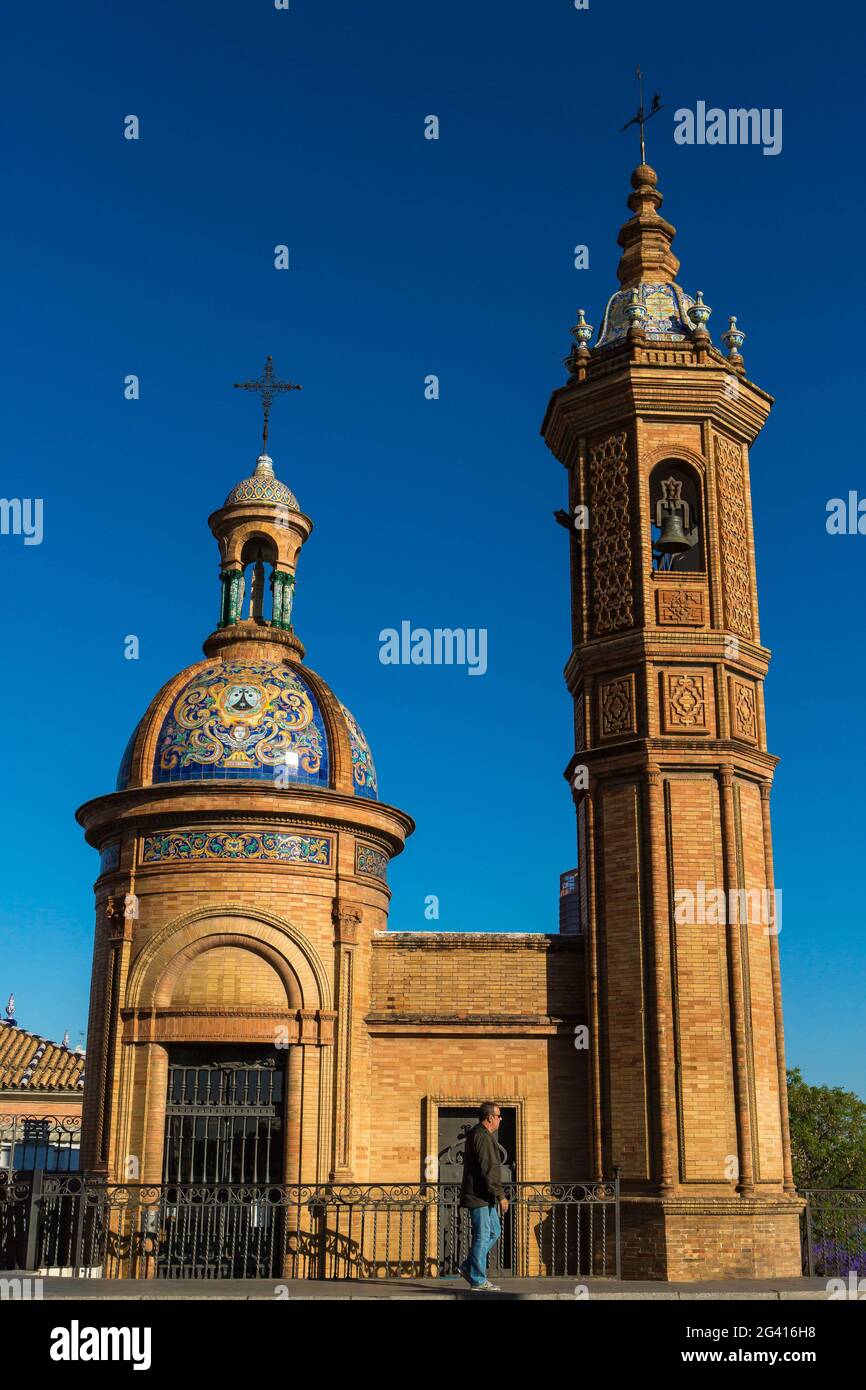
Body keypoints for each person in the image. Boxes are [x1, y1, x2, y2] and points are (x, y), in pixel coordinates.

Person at [458, 1101, 509, 1290]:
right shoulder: (481, 1136)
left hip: (484, 1196)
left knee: (494, 1231)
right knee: (482, 1235)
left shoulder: (483, 1135)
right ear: (490, 1117)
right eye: (499, 1116)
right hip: (479, 1196)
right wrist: (501, 1196)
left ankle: (467, 1266)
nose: (501, 1119)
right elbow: (488, 1169)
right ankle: (478, 1280)